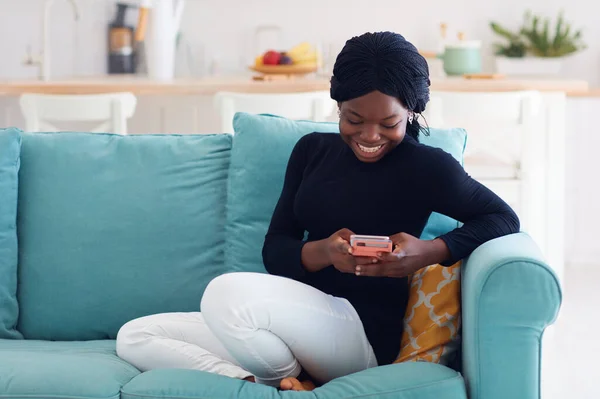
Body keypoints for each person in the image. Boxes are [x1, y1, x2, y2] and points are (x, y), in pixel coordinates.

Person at [116, 31, 519, 392]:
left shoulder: (428, 167)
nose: (370, 136)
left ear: (412, 112)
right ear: (338, 106)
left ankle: (287, 376)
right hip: (287, 318)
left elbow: (502, 218)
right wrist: (325, 252)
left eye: (388, 123)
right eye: (354, 120)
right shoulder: (311, 151)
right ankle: (262, 384)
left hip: (359, 334)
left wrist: (428, 252)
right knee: (136, 336)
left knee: (226, 293)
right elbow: (275, 250)